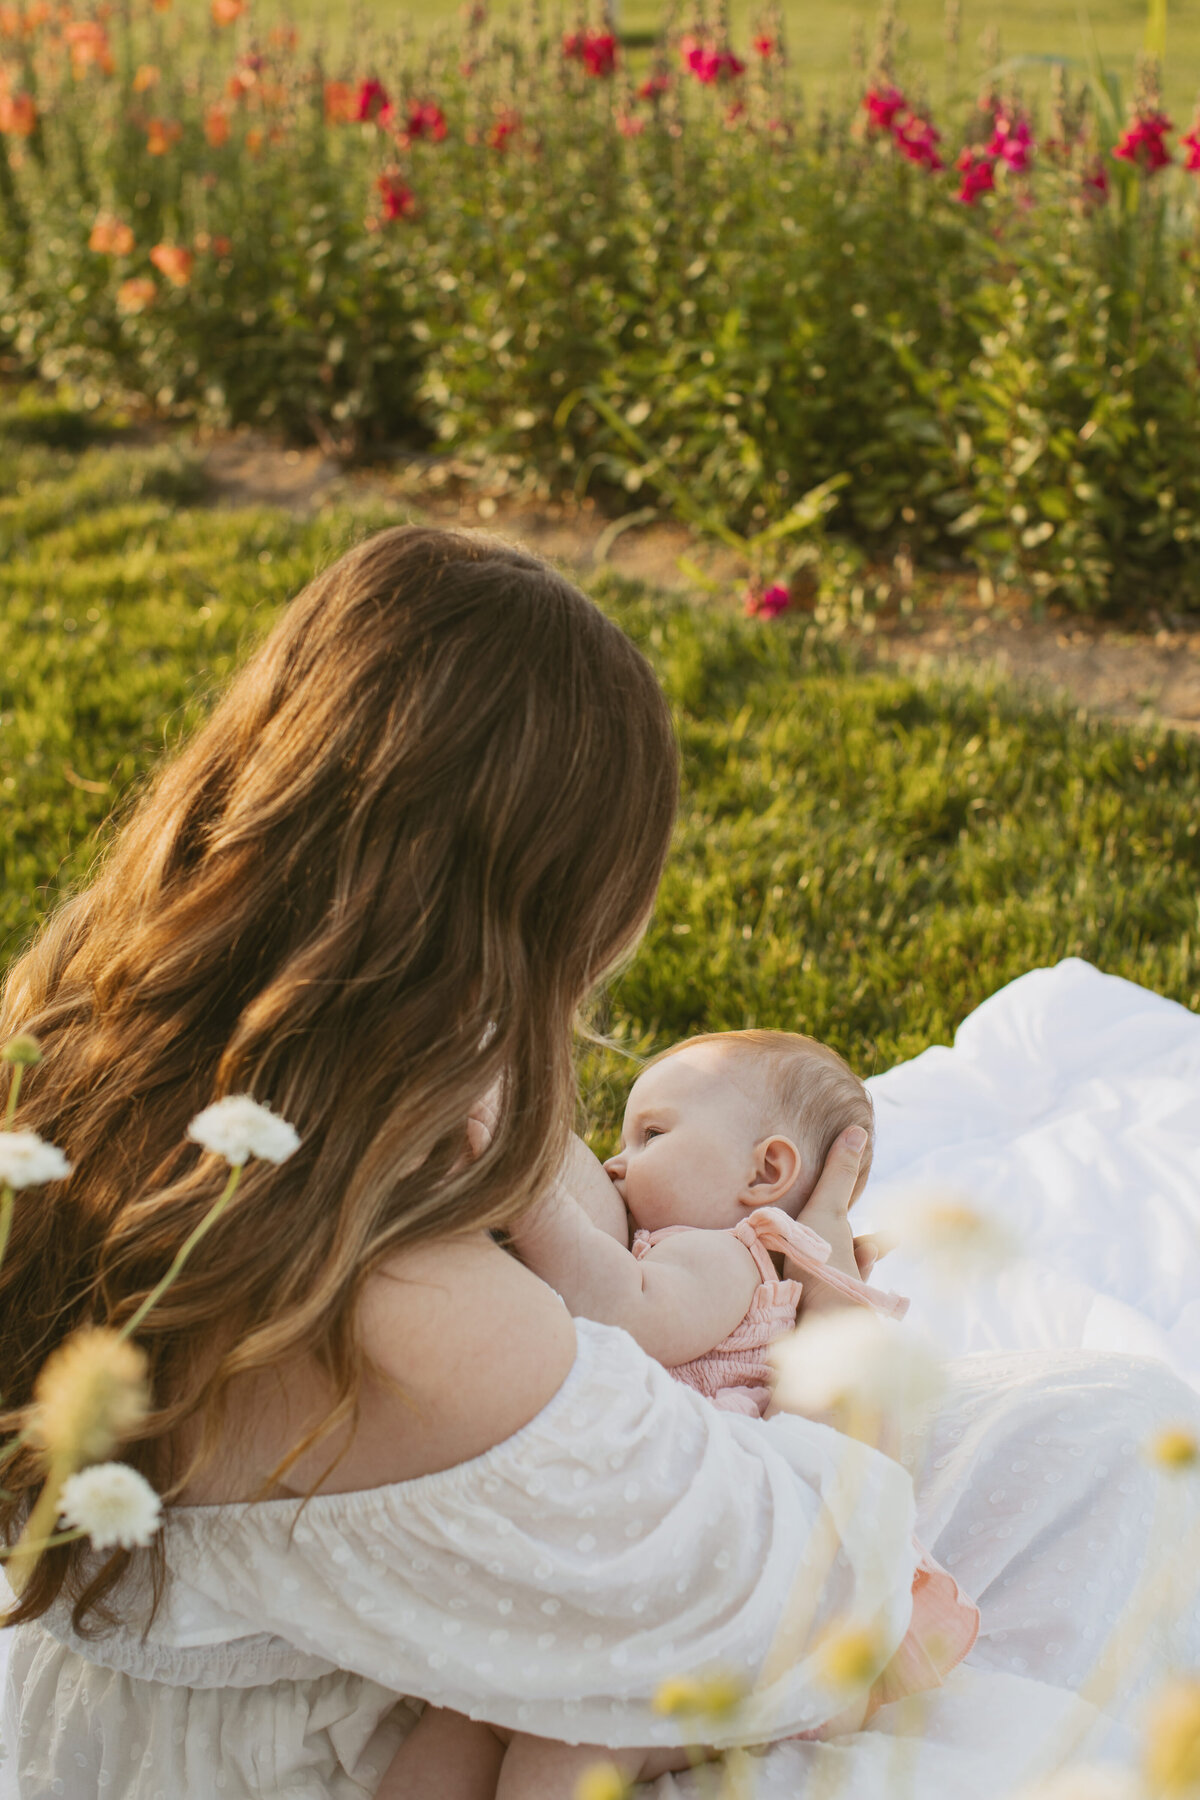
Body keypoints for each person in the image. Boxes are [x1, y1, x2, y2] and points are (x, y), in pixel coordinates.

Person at [0, 526, 1195, 1799]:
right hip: (371, 1743)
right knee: (1057, 1663)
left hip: (461, 1592)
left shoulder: (135, 1056)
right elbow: (804, 1617)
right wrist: (840, 1342)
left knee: (1108, 1431)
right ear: (544, 900)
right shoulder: (404, 1297)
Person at [379, 1029, 979, 1800]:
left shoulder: (731, 1255)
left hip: (720, 1603)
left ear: (766, 1172)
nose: (615, 1162)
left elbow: (624, 1312)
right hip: (646, 1583)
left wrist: (529, 1190)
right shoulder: (671, 1246)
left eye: (651, 1134)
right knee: (459, 1726)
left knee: (572, 1739)